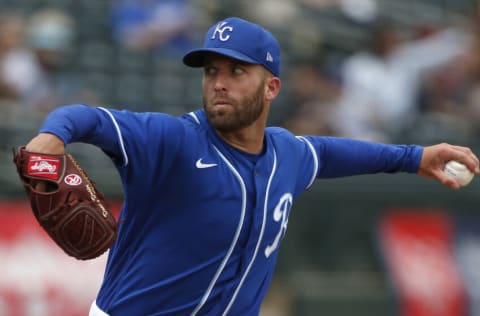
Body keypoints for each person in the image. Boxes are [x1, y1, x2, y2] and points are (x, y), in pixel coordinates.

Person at [24, 17, 479, 316]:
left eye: (236, 72)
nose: (219, 84)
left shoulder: (288, 154)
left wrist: (415, 157)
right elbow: (87, 118)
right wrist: (51, 138)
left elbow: (336, 153)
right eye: (210, 71)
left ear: (272, 87)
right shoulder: (171, 140)